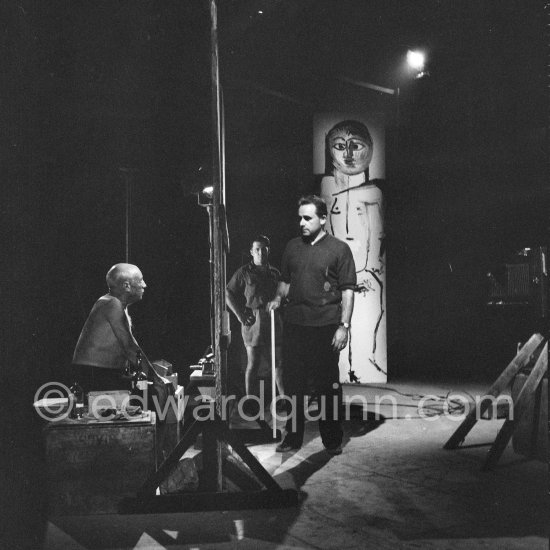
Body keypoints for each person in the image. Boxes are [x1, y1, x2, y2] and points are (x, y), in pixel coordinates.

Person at [268, 196, 356, 455]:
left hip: (326, 326)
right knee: (293, 384)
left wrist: (344, 326)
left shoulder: (339, 249)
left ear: (322, 219)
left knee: (326, 386)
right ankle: (293, 437)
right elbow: (285, 282)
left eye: (307, 218)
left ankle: (331, 439)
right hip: (295, 325)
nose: (302, 223)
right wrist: (276, 297)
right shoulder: (292, 247)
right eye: (300, 218)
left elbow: (348, 291)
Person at [319, 119, 386, 382]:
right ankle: (339, 370)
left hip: (365, 269)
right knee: (337, 322)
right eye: (339, 146)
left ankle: (365, 362)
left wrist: (371, 269)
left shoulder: (373, 192)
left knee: (368, 319)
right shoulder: (327, 188)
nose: (347, 154)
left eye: (355, 146)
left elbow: (378, 235)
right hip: (335, 271)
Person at [72, 263, 156, 393]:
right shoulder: (112, 303)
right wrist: (157, 379)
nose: (144, 285)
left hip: (102, 373)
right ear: (126, 286)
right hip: (96, 374)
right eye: (140, 280)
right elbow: (129, 347)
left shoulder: (115, 304)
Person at [226, 235, 284, 405]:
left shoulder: (275, 273)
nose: (261, 253)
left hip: (273, 319)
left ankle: (283, 399)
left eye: (264, 249)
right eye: (257, 250)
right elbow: (228, 293)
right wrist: (240, 315)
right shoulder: (243, 272)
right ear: (251, 252)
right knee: (253, 362)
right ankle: (250, 401)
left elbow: (282, 294)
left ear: (268, 251)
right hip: (254, 321)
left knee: (278, 363)